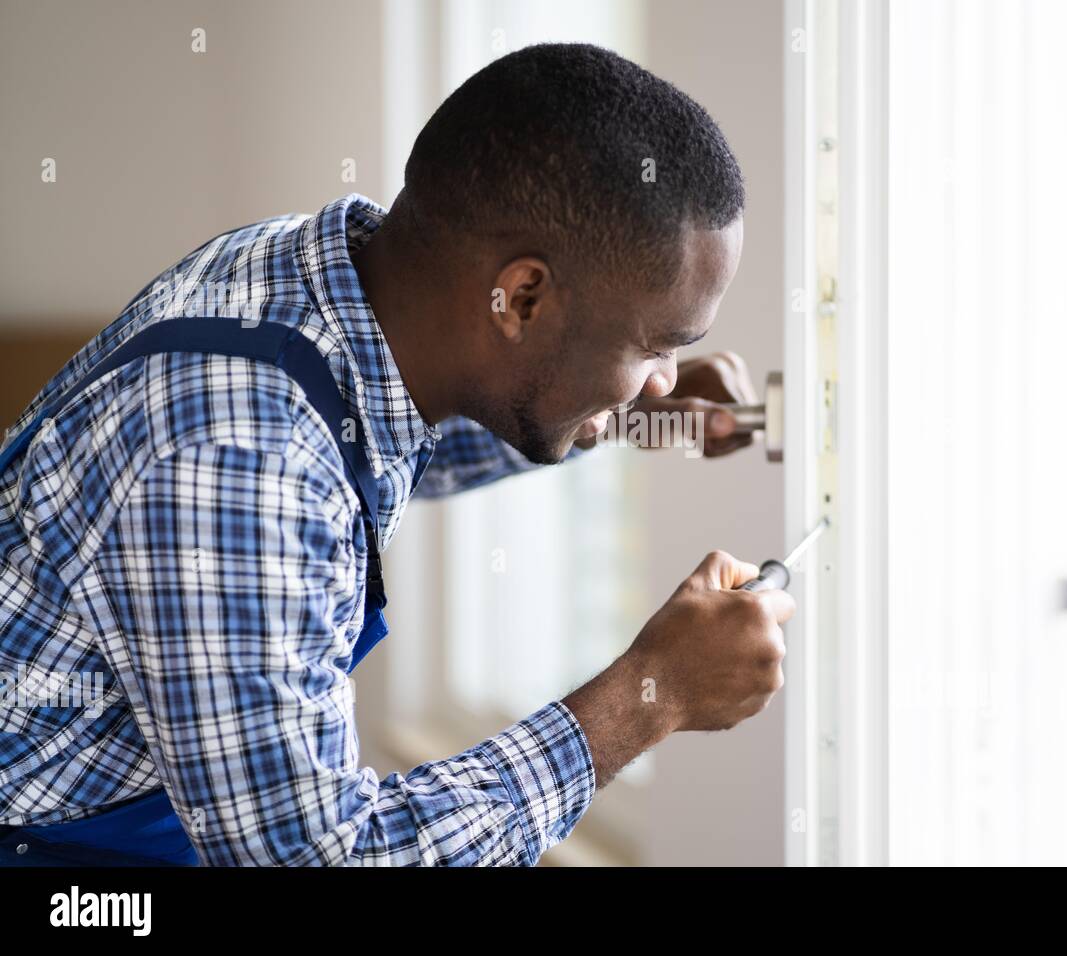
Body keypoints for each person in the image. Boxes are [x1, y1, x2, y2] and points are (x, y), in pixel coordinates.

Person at [0, 42, 794, 866]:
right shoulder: (237, 461)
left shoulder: (309, 281)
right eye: (657, 346)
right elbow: (316, 860)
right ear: (522, 297)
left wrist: (623, 416)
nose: (664, 383)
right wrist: (644, 700)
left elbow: (378, 437)